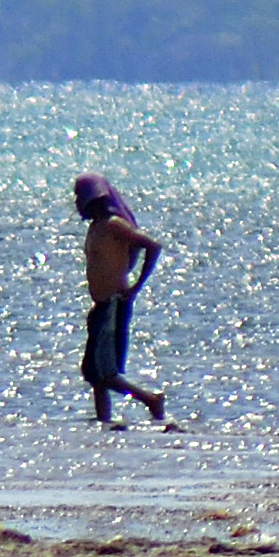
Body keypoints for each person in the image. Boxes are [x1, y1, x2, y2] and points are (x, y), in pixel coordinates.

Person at [73, 172, 165, 425]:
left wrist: (135, 286)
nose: (77, 204)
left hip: (113, 303)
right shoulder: (96, 227)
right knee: (94, 372)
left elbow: (151, 246)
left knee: (103, 372)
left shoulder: (114, 225)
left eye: (80, 198)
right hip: (100, 304)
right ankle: (104, 420)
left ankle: (150, 399)